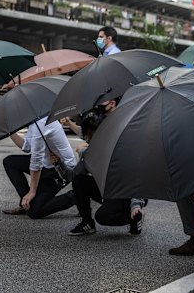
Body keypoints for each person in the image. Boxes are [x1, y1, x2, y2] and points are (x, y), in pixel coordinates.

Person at [59, 100, 146, 236]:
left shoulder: (119, 149)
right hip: (108, 190)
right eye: (86, 136)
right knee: (80, 181)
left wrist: (136, 204)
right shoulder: (89, 152)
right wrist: (59, 163)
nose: (86, 139)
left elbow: (135, 176)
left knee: (103, 217)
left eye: (88, 136)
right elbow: (73, 176)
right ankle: (87, 222)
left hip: (127, 193)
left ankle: (134, 218)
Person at [1, 117, 77, 219]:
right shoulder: (35, 121)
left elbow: (36, 161)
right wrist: (10, 132)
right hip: (46, 165)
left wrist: (32, 191)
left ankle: (75, 196)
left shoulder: (42, 123)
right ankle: (27, 203)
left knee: (35, 212)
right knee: (10, 162)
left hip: (60, 171)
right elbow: (27, 147)